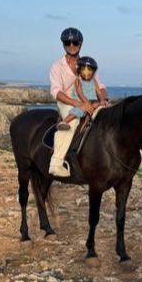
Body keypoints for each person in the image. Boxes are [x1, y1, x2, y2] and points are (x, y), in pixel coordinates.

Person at [49, 28, 108, 178]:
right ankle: (56, 163)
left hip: (87, 100)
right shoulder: (57, 66)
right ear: (63, 44)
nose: (71, 45)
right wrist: (78, 104)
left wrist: (103, 99)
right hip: (67, 101)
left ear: (80, 43)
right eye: (67, 42)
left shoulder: (87, 64)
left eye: (75, 42)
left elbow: (99, 85)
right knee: (73, 122)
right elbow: (56, 91)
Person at [56, 56, 107, 130]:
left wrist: (102, 100)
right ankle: (64, 121)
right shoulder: (78, 81)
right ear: (79, 70)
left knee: (104, 108)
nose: (87, 72)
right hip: (82, 101)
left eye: (89, 70)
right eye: (83, 69)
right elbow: (80, 95)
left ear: (93, 71)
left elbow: (99, 92)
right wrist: (87, 104)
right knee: (79, 110)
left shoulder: (93, 81)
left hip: (93, 102)